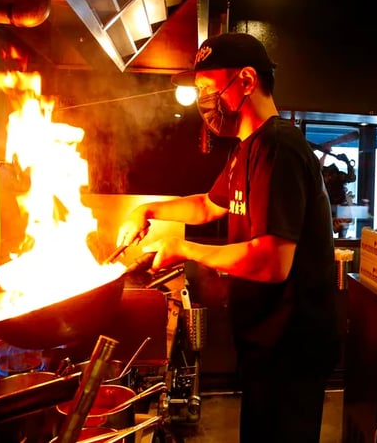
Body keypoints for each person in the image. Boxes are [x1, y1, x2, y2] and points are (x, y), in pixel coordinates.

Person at [116, 32, 341, 443]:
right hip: (265, 343)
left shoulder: (280, 148)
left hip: (291, 348)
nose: (204, 98)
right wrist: (146, 209)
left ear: (247, 80)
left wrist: (184, 248)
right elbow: (207, 205)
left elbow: (273, 262)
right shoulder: (246, 149)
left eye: (207, 86)